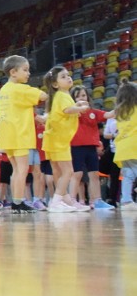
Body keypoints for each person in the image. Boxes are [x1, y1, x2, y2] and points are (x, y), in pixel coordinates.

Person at [0, 54, 48, 214]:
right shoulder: (21, 89)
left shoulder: (4, 89)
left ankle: (16, 201)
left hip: (7, 136)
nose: (28, 73)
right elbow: (44, 96)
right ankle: (18, 203)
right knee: (22, 170)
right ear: (13, 72)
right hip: (20, 135)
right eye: (25, 70)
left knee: (16, 170)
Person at [40, 66, 91, 212]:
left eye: (68, 75)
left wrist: (76, 105)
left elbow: (66, 110)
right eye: (63, 76)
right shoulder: (62, 95)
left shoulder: (59, 96)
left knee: (58, 172)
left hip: (53, 138)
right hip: (59, 139)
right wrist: (80, 108)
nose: (68, 78)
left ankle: (66, 200)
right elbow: (67, 110)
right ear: (55, 84)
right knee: (68, 171)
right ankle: (56, 202)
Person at [68, 84, 114, 210]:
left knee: (94, 174)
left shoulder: (93, 112)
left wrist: (124, 104)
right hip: (76, 147)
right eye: (77, 97)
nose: (81, 99)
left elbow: (109, 115)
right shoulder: (71, 114)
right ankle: (72, 200)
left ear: (88, 97)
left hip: (91, 148)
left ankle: (97, 201)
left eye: (83, 95)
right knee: (77, 174)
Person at [108, 81, 137, 209]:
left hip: (122, 147)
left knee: (127, 174)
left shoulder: (119, 112)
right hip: (133, 145)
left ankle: (126, 200)